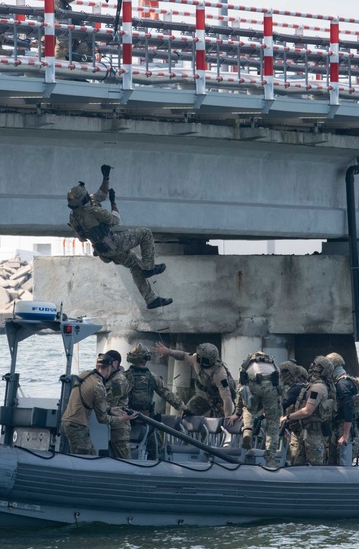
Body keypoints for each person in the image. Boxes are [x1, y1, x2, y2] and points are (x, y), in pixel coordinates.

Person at [66, 164, 171, 310]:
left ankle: (150, 299)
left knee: (135, 266)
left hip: (104, 251)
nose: (87, 194)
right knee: (145, 233)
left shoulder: (74, 216)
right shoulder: (93, 211)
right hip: (113, 243)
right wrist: (113, 203)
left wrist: (105, 177)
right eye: (85, 194)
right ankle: (149, 267)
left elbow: (101, 194)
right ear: (82, 199)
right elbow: (115, 220)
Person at [60, 352, 135, 455]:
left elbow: (89, 399)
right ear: (108, 368)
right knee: (90, 458)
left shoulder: (85, 374)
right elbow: (103, 419)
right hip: (77, 426)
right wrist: (123, 419)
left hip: (65, 422)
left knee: (78, 455)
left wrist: (110, 409)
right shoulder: (99, 387)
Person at [125, 343, 187, 459]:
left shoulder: (123, 377)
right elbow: (166, 394)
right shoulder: (153, 377)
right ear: (146, 359)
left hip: (127, 420)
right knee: (155, 450)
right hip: (147, 421)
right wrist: (183, 407)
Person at [226, 351, 283, 464]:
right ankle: (271, 459)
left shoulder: (246, 365)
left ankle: (247, 431)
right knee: (272, 425)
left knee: (248, 408)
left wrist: (237, 412)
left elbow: (240, 389)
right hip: (270, 387)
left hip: (252, 384)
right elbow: (279, 386)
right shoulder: (273, 365)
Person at [153, 342, 235, 417]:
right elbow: (183, 355)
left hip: (218, 399)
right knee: (187, 414)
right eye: (199, 358)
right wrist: (169, 352)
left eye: (203, 360)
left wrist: (227, 417)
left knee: (220, 423)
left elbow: (226, 397)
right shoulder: (195, 358)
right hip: (203, 396)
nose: (200, 361)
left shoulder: (219, 374)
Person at [279, 356, 335, 466]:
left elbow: (307, 411)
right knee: (297, 463)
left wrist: (288, 417)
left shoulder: (317, 389)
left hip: (314, 434)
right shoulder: (315, 386)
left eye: (315, 365)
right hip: (306, 433)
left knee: (314, 464)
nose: (311, 367)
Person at [325, 352, 358, 466]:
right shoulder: (349, 381)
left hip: (342, 426)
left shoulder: (342, 384)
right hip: (346, 425)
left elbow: (348, 407)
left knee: (341, 460)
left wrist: (345, 433)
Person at [103, 349, 132, 459]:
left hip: (119, 428)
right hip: (111, 424)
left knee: (124, 459)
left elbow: (110, 402)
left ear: (115, 363)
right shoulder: (110, 378)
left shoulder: (118, 381)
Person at [278, 360, 308, 466]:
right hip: (296, 426)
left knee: (295, 455)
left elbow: (284, 404)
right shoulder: (300, 387)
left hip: (297, 428)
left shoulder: (296, 389)